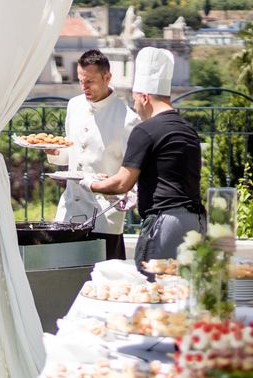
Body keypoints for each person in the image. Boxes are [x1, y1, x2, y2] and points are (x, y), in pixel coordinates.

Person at [79, 47, 205, 266]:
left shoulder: (145, 130)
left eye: (135, 99)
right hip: (197, 222)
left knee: (153, 287)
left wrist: (89, 183)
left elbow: (121, 183)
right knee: (184, 291)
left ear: (145, 97)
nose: (135, 106)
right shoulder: (188, 130)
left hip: (164, 224)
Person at [46, 49, 140, 259]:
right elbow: (70, 153)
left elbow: (133, 169)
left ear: (107, 77)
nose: (84, 87)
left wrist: (131, 195)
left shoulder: (128, 119)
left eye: (90, 81)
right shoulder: (74, 106)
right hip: (70, 209)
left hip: (105, 215)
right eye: (81, 80)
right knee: (66, 274)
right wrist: (53, 152)